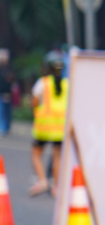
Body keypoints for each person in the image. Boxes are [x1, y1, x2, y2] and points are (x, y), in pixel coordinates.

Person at [29, 50, 68, 196]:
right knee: (57, 156)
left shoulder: (43, 83)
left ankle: (43, 181)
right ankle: (56, 187)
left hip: (44, 126)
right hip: (61, 127)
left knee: (36, 153)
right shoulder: (67, 84)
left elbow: (34, 102)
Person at [0, 49, 12, 137]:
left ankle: (5, 127)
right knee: (2, 110)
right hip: (2, 92)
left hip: (6, 93)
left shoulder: (8, 70)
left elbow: (10, 81)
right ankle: (3, 127)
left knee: (5, 111)